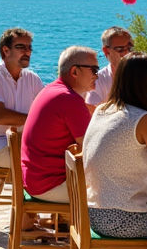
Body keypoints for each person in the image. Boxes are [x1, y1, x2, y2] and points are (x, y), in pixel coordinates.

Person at [81, 53, 147, 240]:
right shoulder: (142, 119)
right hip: (120, 219)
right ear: (145, 82)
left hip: (92, 213)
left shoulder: (103, 110)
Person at [21, 46, 97, 205]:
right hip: (51, 186)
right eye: (94, 69)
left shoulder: (52, 90)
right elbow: (92, 149)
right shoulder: (69, 99)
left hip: (35, 180)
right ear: (75, 71)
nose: (97, 75)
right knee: (116, 194)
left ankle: (65, 223)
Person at [0, 28, 44, 169]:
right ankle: (29, 192)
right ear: (6, 50)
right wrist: (38, 120)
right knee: (49, 161)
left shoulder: (32, 78)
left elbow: (48, 108)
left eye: (29, 47)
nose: (27, 52)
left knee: (66, 153)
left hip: (24, 141)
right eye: (21, 47)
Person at [85, 26, 136, 113]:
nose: (127, 53)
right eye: (120, 49)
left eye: (129, 48)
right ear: (106, 51)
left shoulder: (145, 76)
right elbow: (91, 111)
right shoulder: (99, 81)